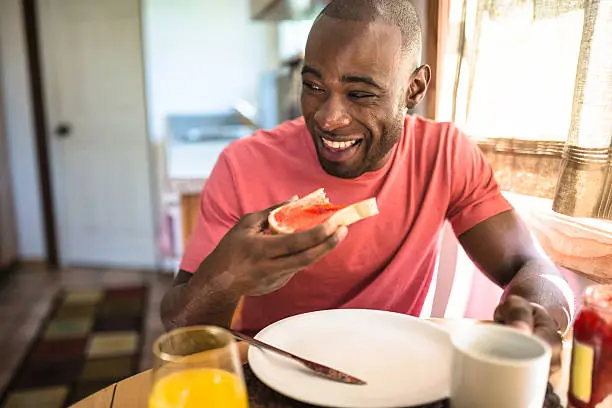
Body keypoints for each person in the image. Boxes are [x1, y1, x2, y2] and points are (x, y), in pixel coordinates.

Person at [161, 0, 573, 367]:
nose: (328, 118)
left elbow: (531, 267)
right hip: (276, 371)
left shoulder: (445, 154)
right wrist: (224, 279)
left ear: (413, 88)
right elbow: (180, 331)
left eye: (359, 94)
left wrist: (537, 309)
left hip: (396, 374)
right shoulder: (243, 165)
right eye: (313, 87)